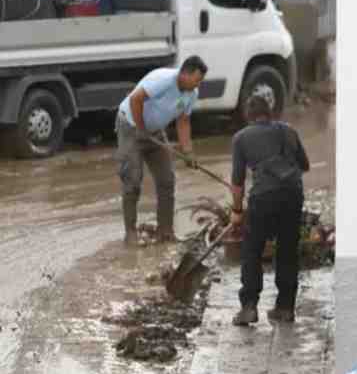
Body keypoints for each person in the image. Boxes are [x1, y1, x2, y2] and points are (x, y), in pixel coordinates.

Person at [229, 95, 310, 326]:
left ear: (248, 116)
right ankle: (285, 308)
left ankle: (248, 308)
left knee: (252, 250)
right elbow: (305, 166)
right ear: (270, 113)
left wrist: (236, 210)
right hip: (293, 195)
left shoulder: (241, 138)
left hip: (263, 198)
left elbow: (237, 183)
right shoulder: (289, 131)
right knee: (287, 250)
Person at [115, 56, 207, 246]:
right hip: (131, 127)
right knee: (132, 180)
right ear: (185, 73)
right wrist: (141, 129)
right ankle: (130, 234)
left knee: (167, 180)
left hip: (155, 132)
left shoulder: (192, 93)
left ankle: (165, 232)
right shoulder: (164, 80)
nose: (199, 84)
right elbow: (136, 98)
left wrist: (188, 151)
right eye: (197, 79)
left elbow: (183, 121)